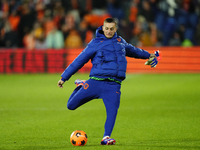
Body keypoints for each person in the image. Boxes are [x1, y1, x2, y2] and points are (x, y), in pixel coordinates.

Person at [57, 18, 160, 145]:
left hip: (113, 85)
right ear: (103, 28)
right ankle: (82, 85)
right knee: (71, 106)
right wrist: (64, 77)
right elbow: (79, 60)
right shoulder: (95, 43)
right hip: (96, 82)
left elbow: (134, 51)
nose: (109, 31)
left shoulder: (120, 41)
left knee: (112, 112)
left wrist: (149, 55)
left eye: (112, 29)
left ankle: (106, 137)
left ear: (115, 29)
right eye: (107, 28)